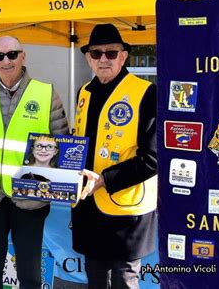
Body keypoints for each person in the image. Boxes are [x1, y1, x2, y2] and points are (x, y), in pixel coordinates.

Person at [0, 35, 69, 288]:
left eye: (12, 54)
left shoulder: (46, 93)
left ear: (23, 56)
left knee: (30, 275)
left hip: (30, 198)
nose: (6, 61)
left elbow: (63, 144)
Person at [72, 23, 157, 288]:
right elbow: (79, 146)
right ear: (88, 58)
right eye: (96, 54)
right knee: (96, 281)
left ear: (124, 56)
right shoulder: (84, 92)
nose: (103, 59)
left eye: (111, 53)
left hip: (126, 211)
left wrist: (104, 179)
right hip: (89, 210)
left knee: (123, 281)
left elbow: (153, 159)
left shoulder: (145, 92)